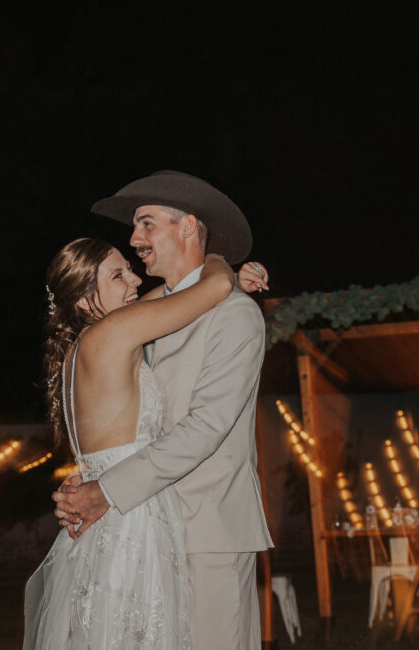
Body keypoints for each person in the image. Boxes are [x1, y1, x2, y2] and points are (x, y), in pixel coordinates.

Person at [54, 170, 274, 649]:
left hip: (208, 529)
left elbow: (206, 428)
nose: (134, 240)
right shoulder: (143, 318)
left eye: (146, 223)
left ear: (187, 227)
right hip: (151, 528)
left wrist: (105, 488)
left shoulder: (234, 313)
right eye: (136, 227)